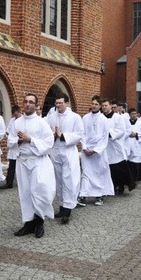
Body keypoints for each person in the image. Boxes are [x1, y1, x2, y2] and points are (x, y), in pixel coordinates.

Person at [8, 94, 56, 238]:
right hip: (22, 161)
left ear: (36, 105)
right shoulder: (17, 122)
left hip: (38, 160)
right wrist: (19, 141)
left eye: (31, 102)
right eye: (25, 102)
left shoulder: (41, 123)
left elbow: (49, 142)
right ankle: (28, 223)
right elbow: (10, 141)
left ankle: (39, 221)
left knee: (39, 191)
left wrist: (31, 139)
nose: (27, 104)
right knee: (25, 192)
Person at [47, 94, 84, 224]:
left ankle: (67, 210)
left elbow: (79, 134)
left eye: (60, 103)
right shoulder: (51, 117)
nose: (58, 106)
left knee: (69, 180)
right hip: (55, 151)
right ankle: (62, 207)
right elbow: (46, 133)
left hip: (68, 151)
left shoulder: (75, 117)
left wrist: (62, 136)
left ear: (66, 103)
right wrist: (53, 135)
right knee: (58, 180)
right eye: (56, 103)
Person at [79, 96, 114, 206]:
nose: (93, 106)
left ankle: (99, 195)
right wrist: (84, 148)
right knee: (86, 173)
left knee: (99, 172)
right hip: (86, 150)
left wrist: (95, 150)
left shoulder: (104, 119)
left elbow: (104, 137)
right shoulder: (85, 118)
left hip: (99, 151)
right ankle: (83, 195)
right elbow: (82, 134)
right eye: (92, 104)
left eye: (96, 104)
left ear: (99, 106)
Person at [104, 99, 135, 195]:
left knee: (119, 168)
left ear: (110, 107)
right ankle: (111, 186)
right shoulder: (100, 117)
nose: (104, 107)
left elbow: (122, 130)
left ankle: (121, 185)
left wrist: (109, 134)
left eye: (106, 105)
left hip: (115, 145)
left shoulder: (118, 117)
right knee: (108, 168)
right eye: (103, 106)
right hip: (105, 146)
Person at [0, 105, 22, 189]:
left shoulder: (23, 120)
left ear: (19, 112)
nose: (15, 116)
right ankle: (9, 183)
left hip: (20, 145)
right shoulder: (12, 120)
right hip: (13, 145)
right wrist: (10, 135)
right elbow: (8, 130)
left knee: (21, 167)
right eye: (14, 115)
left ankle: (22, 183)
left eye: (16, 114)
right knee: (11, 166)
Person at [125, 108, 141, 181]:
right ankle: (129, 178)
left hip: (137, 144)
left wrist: (136, 134)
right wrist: (128, 134)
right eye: (132, 114)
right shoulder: (125, 123)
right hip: (128, 144)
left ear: (137, 114)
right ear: (129, 115)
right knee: (128, 162)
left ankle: (136, 178)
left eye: (135, 113)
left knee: (136, 162)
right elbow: (122, 132)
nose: (134, 115)